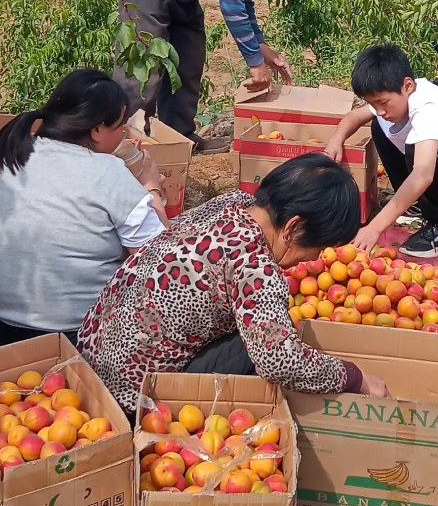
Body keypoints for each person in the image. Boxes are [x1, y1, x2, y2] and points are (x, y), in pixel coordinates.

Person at [78, 154, 388, 415]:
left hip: (90, 356)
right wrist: (355, 378)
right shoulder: (256, 265)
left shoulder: (231, 203)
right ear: (292, 228)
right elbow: (280, 360)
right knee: (259, 345)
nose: (310, 260)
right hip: (131, 394)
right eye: (317, 248)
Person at [0, 69, 170, 348]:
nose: (123, 135)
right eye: (120, 127)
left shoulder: (7, 155)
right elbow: (162, 261)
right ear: (96, 129)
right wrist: (151, 187)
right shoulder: (107, 171)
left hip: (4, 327)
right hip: (77, 335)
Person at [114, 0, 327, 150]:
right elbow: (232, 5)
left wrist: (262, 48)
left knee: (189, 54)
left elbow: (245, 2)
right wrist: (255, 64)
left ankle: (178, 138)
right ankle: (128, 139)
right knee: (144, 57)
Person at [324, 45, 438, 259]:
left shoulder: (428, 108)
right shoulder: (398, 92)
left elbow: (423, 173)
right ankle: (418, 204)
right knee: (380, 126)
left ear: (408, 86)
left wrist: (375, 227)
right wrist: (336, 141)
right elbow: (354, 117)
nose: (381, 110)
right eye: (374, 103)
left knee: (418, 146)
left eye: (383, 102)